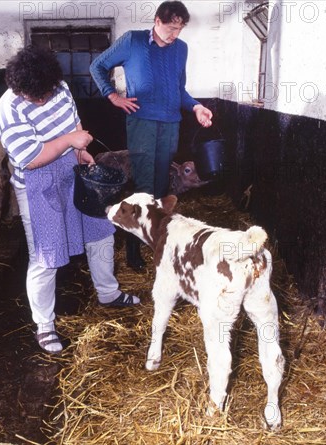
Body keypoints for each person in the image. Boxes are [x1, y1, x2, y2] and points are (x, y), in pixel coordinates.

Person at [0, 45, 140, 354]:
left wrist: (80, 150)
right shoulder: (8, 109)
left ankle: (108, 293)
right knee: (45, 257)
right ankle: (44, 326)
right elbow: (31, 159)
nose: (43, 100)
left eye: (46, 93)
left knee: (101, 234)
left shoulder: (58, 88)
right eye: (36, 97)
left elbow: (73, 123)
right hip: (38, 184)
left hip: (72, 171)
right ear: (19, 88)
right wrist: (69, 141)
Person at [90, 0, 213, 271]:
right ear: (157, 21)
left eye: (179, 29)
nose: (174, 35)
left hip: (170, 124)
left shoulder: (181, 49)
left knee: (161, 189)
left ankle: (158, 242)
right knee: (143, 189)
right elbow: (97, 66)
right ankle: (133, 248)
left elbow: (179, 90)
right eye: (170, 28)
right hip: (143, 123)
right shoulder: (132, 41)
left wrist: (196, 106)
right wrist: (112, 96)